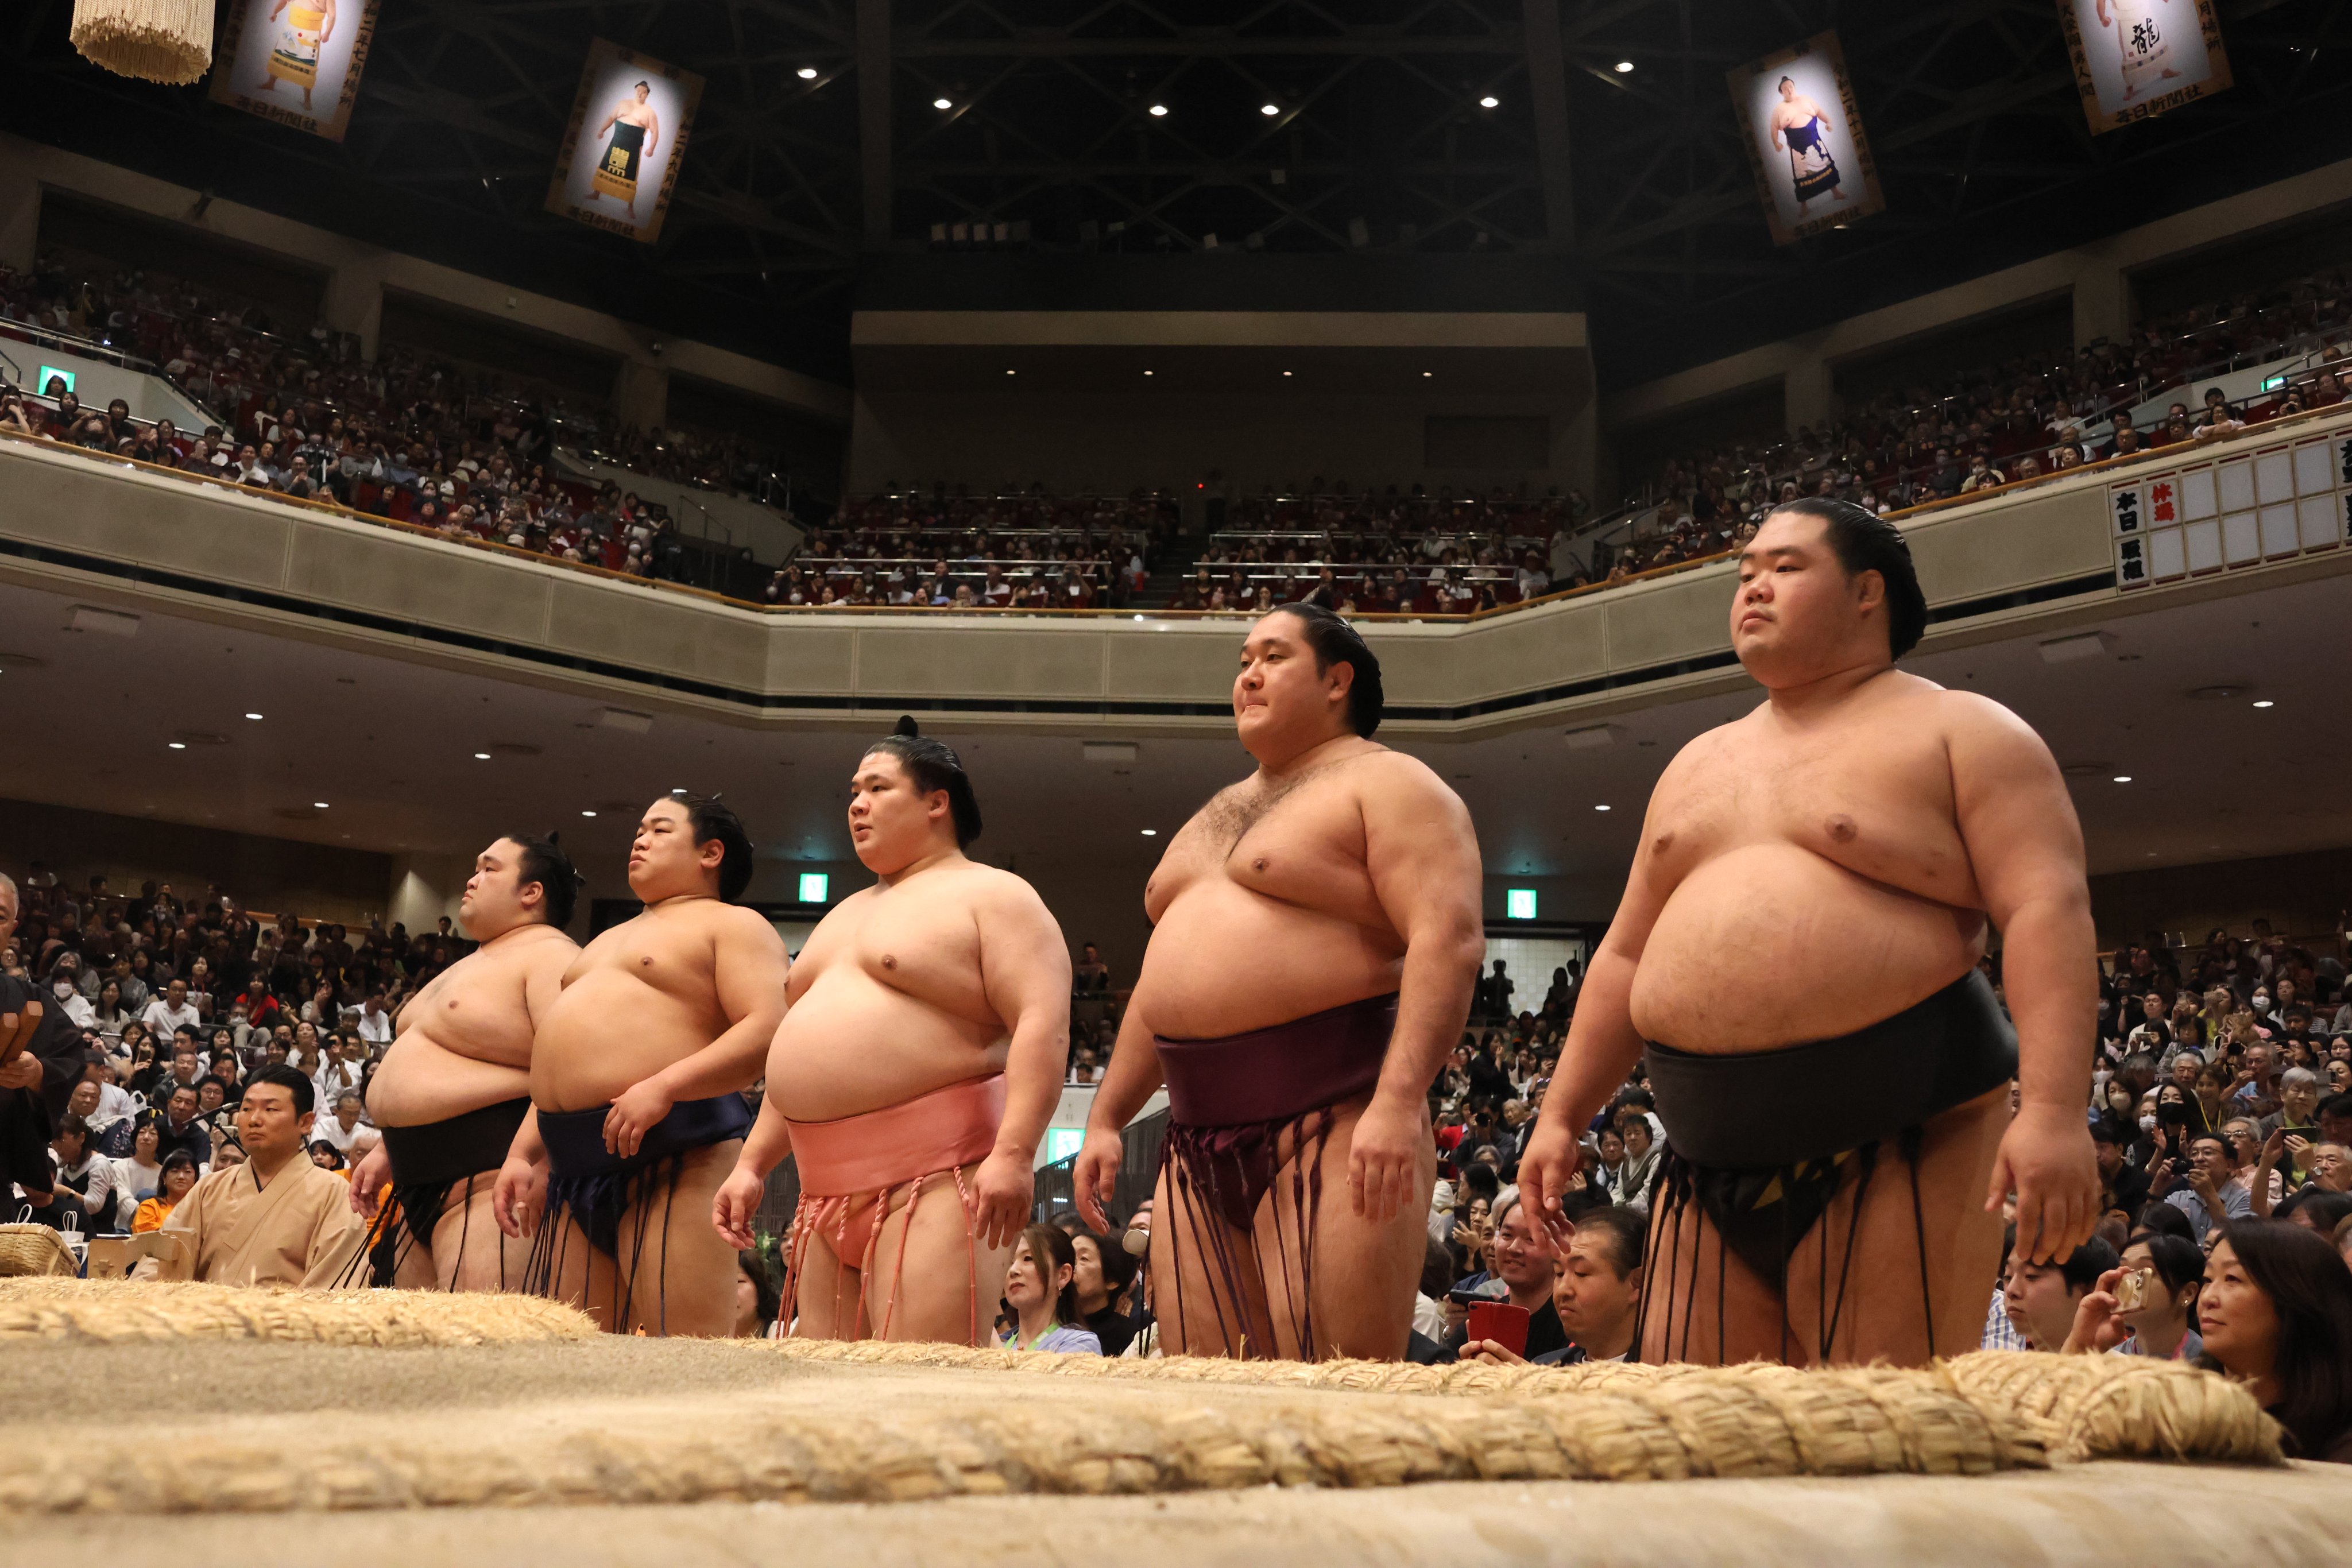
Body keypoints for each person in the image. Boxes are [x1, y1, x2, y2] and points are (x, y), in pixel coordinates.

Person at [1519, 498, 2099, 1369]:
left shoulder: (1962, 732)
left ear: (1868, 591)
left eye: (1785, 567)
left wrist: (2054, 1110)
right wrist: (1562, 1110)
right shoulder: (1696, 763)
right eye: (1745, 570)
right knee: (1705, 1441)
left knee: (1878, 1437)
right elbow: (1627, 954)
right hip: (1704, 1148)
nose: (1754, 584)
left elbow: (2046, 909)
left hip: (1904, 1125)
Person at [1074, 600, 1485, 1360]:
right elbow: (1163, 982)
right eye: (1242, 661)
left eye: (1272, 656)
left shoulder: (1391, 783)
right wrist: (1107, 1114)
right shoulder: (1214, 810)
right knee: (1209, 1387)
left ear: (1337, 680)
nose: (1249, 675)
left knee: (1335, 1384)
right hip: (1193, 1138)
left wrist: (1398, 1101)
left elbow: (1448, 940)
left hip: (1333, 1116)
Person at [714, 722, 1066, 1346]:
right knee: (828, 1384)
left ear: (937, 802)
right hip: (822, 1191)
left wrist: (1013, 1153)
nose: (856, 803)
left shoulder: (994, 895)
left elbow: (1041, 1021)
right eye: (853, 790)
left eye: (878, 787)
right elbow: (798, 1053)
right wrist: (752, 1162)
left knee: (920, 1379)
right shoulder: (840, 915)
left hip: (939, 1175)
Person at [505, 796, 787, 1336]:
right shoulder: (605, 940)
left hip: (679, 1151)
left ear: (711, 852)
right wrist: (525, 1151)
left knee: (683, 1352)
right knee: (573, 1354)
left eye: (660, 829)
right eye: (639, 829)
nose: (640, 839)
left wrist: (665, 1085)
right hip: (572, 1160)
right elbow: (556, 1060)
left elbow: (769, 1027)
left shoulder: (734, 924)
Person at [354, 837, 578, 1294]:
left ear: (531, 892)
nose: (471, 880)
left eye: (489, 868)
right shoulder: (472, 961)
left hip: (489, 1178)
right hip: (415, 1180)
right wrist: (388, 1148)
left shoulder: (551, 954)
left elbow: (570, 1068)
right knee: (414, 1350)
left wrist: (533, 1158)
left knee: (483, 1347)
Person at [134, 1067, 367, 1287]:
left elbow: (335, 1289)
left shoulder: (334, 1194)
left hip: (284, 1325)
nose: (254, 1119)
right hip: (200, 1322)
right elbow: (161, 1260)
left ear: (305, 1123)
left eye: (270, 1109)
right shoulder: (210, 1188)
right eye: (246, 1109)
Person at [2196, 1219, 2352, 1463]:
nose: (2208, 1298)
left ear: (2295, 1299)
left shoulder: (2341, 1443)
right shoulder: (2183, 1406)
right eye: (2207, 1279)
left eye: (2232, 1279)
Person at [1455, 1197, 1569, 1362]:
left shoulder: (1569, 1323)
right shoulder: (1485, 1317)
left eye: (1531, 1238)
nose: (1514, 1248)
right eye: (1507, 1235)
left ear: (1558, 1248)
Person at [2058, 1233, 2205, 1360]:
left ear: (2188, 1293)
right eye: (2123, 1271)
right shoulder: (2110, 1358)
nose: (2128, 1282)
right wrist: (2079, 1343)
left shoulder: (2211, 1363)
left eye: (2144, 1271)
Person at [1542, 1205, 1646, 1364]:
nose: (1562, 1290)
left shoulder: (1675, 1380)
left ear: (1637, 1284)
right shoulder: (1544, 1369)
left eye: (1581, 1273)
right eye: (1559, 1273)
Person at [997, 1224, 1103, 1354]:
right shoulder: (1002, 1343)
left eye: (1028, 1259)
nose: (1013, 1270)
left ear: (1063, 1275)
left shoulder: (1081, 1344)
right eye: (1009, 1262)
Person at [2002, 1237, 2121, 1352]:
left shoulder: (2121, 1370)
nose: (2011, 1290)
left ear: (2088, 1292)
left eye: (2031, 1276)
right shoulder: (2009, 1367)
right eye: (2008, 1277)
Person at [1769, 75, 1847, 213]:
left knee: (1826, 166)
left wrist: (1828, 122)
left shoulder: (1806, 99)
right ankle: (1804, 206)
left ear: (1795, 87)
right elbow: (1774, 128)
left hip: (1815, 140)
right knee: (1801, 175)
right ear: (1781, 92)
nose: (1789, 90)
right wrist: (1776, 142)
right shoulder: (1778, 109)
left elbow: (1819, 112)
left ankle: (1835, 192)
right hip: (1798, 148)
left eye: (1791, 87)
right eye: (1785, 89)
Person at [586, 80, 661, 220]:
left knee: (631, 175)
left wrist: (652, 148)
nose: (640, 94)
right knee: (607, 166)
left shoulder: (650, 112)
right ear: (634, 91)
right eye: (638, 91)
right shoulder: (623, 104)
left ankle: (630, 207)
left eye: (643, 92)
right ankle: (596, 193)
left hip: (633, 148)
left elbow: (655, 132)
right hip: (616, 142)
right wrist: (602, 130)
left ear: (647, 95)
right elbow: (611, 117)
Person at [1070, 1228, 1143, 1356]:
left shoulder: (1125, 1337)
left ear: (1112, 1281)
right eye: (1069, 1256)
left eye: (1083, 1259)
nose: (1070, 1266)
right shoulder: (1049, 1319)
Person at [133, 1151, 200, 1233]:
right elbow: (149, 1238)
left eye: (188, 1172)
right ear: (164, 1178)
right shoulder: (150, 1207)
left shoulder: (201, 1211)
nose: (181, 1177)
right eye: (175, 1171)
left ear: (195, 1178)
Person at [733, 1250, 783, 1338]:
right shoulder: (705, 1336)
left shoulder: (782, 1334)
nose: (730, 1293)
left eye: (739, 1281)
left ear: (760, 1288)